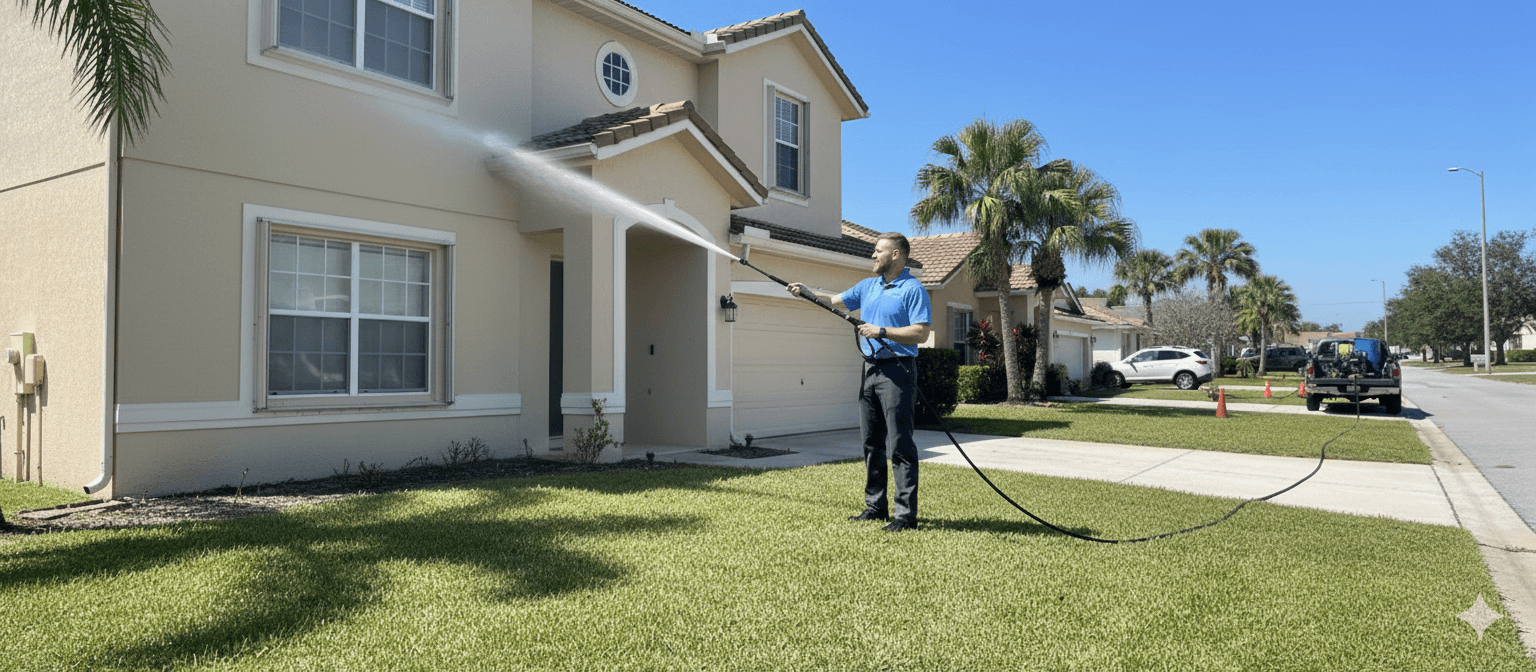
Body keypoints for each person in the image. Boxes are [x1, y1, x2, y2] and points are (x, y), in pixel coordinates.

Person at [788, 232, 931, 532]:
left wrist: (882, 331)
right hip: (869, 371)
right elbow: (834, 300)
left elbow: (921, 333)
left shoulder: (912, 289)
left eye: (878, 251)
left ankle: (905, 516)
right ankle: (875, 507)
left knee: (900, 444)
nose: (873, 256)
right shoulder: (868, 287)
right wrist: (806, 292)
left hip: (898, 371)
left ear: (895, 255)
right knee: (871, 442)